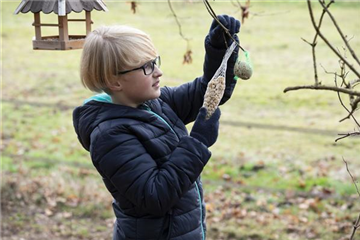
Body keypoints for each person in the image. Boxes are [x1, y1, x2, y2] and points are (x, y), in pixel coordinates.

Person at [73, 15, 240, 240]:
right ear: (114, 81)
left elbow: (208, 93)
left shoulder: (155, 103)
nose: (158, 72)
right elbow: (155, 196)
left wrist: (219, 50)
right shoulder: (109, 135)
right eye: (146, 67)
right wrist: (198, 142)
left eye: (155, 61)